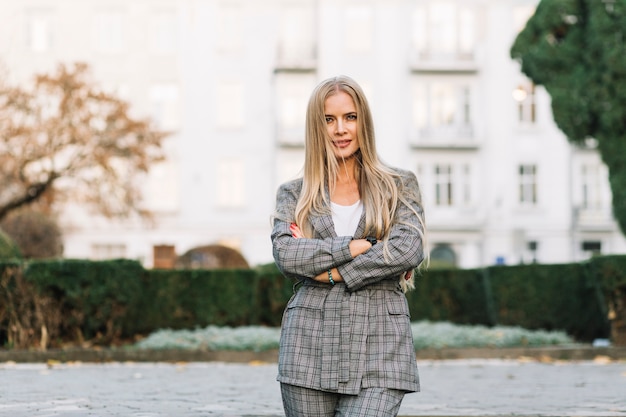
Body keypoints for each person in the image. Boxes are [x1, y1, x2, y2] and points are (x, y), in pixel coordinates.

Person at [271, 75, 427, 417]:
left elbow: (407, 249)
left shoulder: (399, 186)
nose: (340, 129)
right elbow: (286, 254)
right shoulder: (294, 194)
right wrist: (356, 246)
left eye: (349, 117)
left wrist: (331, 273)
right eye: (329, 119)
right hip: (307, 348)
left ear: (363, 122)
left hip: (381, 346)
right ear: (316, 127)